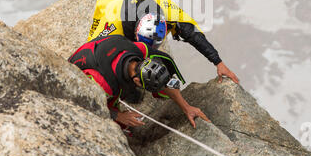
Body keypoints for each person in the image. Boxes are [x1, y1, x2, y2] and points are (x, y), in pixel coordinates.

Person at [87, 0, 239, 84]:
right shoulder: (113, 22)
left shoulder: (170, 13)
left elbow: (194, 34)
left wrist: (218, 62)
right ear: (135, 32)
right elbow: (92, 49)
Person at [68, 34, 210, 129]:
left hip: (105, 49)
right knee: (117, 122)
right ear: (137, 81)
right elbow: (86, 103)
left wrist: (186, 108)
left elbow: (164, 73)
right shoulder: (104, 83)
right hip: (81, 66)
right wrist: (118, 116)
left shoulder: (139, 49)